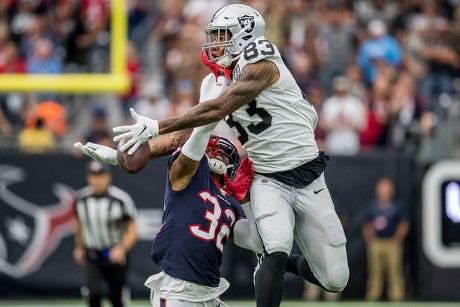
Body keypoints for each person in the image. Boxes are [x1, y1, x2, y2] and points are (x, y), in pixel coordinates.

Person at [109, 4, 349, 307]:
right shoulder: (212, 82)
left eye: (222, 35)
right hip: (265, 175)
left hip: (308, 173)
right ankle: (269, 266)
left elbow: (220, 107)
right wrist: (137, 147)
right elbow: (188, 134)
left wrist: (156, 125)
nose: (215, 42)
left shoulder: (262, 54)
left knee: (335, 278)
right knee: (273, 248)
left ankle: (282, 263)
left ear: (245, 34)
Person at [73, 161, 139, 307]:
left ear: (109, 177)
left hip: (115, 255)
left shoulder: (121, 199)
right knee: (93, 295)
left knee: (116, 299)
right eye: (94, 176)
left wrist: (122, 248)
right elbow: (79, 224)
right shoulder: (81, 199)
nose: (97, 180)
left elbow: (133, 229)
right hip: (93, 255)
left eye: (101, 176)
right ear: (88, 178)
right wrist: (78, 246)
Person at [362, 177, 409, 301]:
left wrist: (398, 238)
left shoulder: (397, 205)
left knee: (394, 271)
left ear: (391, 190)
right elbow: (367, 223)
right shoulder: (373, 206)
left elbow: (404, 223)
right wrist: (370, 238)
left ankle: (397, 296)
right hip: (376, 243)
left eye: (386, 188)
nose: (383, 191)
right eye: (381, 188)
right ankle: (373, 296)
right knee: (375, 272)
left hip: (392, 243)